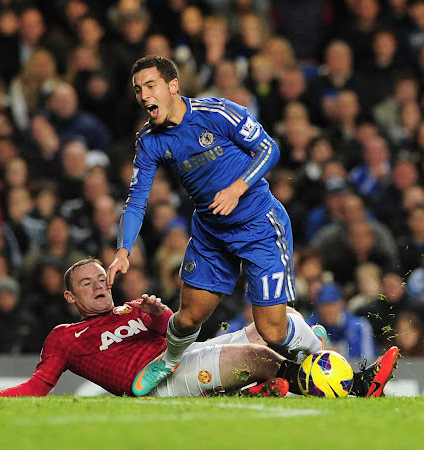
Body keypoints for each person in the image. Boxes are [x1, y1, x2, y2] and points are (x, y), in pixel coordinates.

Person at [107, 55, 324, 397]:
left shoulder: (217, 112)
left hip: (259, 225)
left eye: (150, 85)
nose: (144, 95)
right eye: (138, 90)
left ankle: (316, 346)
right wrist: (123, 251)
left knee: (272, 331)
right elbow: (136, 200)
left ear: (173, 86)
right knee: (188, 317)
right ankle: (169, 360)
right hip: (211, 234)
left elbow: (269, 149)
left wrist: (237, 188)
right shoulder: (149, 140)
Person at [0, 258, 399, 398]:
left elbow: (174, 334)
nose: (99, 286)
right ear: (70, 297)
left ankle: (287, 375)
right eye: (87, 284)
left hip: (182, 356)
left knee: (278, 321)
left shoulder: (132, 310)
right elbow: (38, 386)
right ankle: (353, 387)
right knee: (257, 357)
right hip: (158, 383)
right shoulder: (64, 336)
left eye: (102, 279)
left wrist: (159, 314)